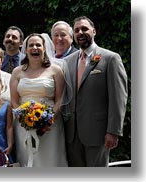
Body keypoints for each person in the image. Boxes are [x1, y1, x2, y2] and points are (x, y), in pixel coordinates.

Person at [63, 16, 128, 167]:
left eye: (84, 29)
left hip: (98, 133)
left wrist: (113, 131)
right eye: (77, 30)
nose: (80, 32)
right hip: (72, 134)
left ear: (94, 31)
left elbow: (118, 98)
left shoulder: (110, 58)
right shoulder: (68, 61)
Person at [10, 33, 68, 167]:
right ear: (25, 50)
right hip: (24, 124)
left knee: (50, 159)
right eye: (31, 45)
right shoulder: (17, 72)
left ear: (44, 48)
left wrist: (47, 120)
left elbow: (60, 100)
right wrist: (23, 118)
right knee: (28, 159)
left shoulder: (56, 71)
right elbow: (14, 101)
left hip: (50, 125)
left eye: (38, 45)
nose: (34, 47)